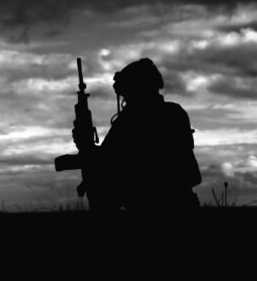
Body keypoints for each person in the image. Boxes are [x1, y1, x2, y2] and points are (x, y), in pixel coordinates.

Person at [80, 58, 201, 210]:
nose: (125, 100)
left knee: (97, 184)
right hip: (182, 200)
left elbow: (106, 159)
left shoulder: (131, 118)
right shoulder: (175, 112)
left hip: (147, 200)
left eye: (127, 94)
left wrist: (85, 144)